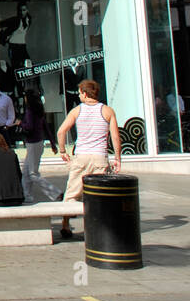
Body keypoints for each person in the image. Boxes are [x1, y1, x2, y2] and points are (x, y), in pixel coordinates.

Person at [56, 78, 120, 240]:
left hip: (81, 157)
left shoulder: (77, 111)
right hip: (99, 157)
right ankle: (99, 226)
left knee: (72, 193)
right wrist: (117, 158)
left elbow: (61, 131)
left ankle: (65, 224)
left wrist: (63, 150)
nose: (78, 96)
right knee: (99, 195)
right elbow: (115, 137)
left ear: (85, 93)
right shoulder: (107, 111)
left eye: (79, 93)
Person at [19, 89, 61, 201]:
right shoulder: (39, 110)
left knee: (32, 173)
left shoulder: (29, 111)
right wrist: (53, 143)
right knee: (26, 172)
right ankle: (26, 195)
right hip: (39, 142)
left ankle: (55, 192)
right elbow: (46, 127)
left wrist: (20, 123)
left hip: (32, 143)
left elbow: (29, 127)